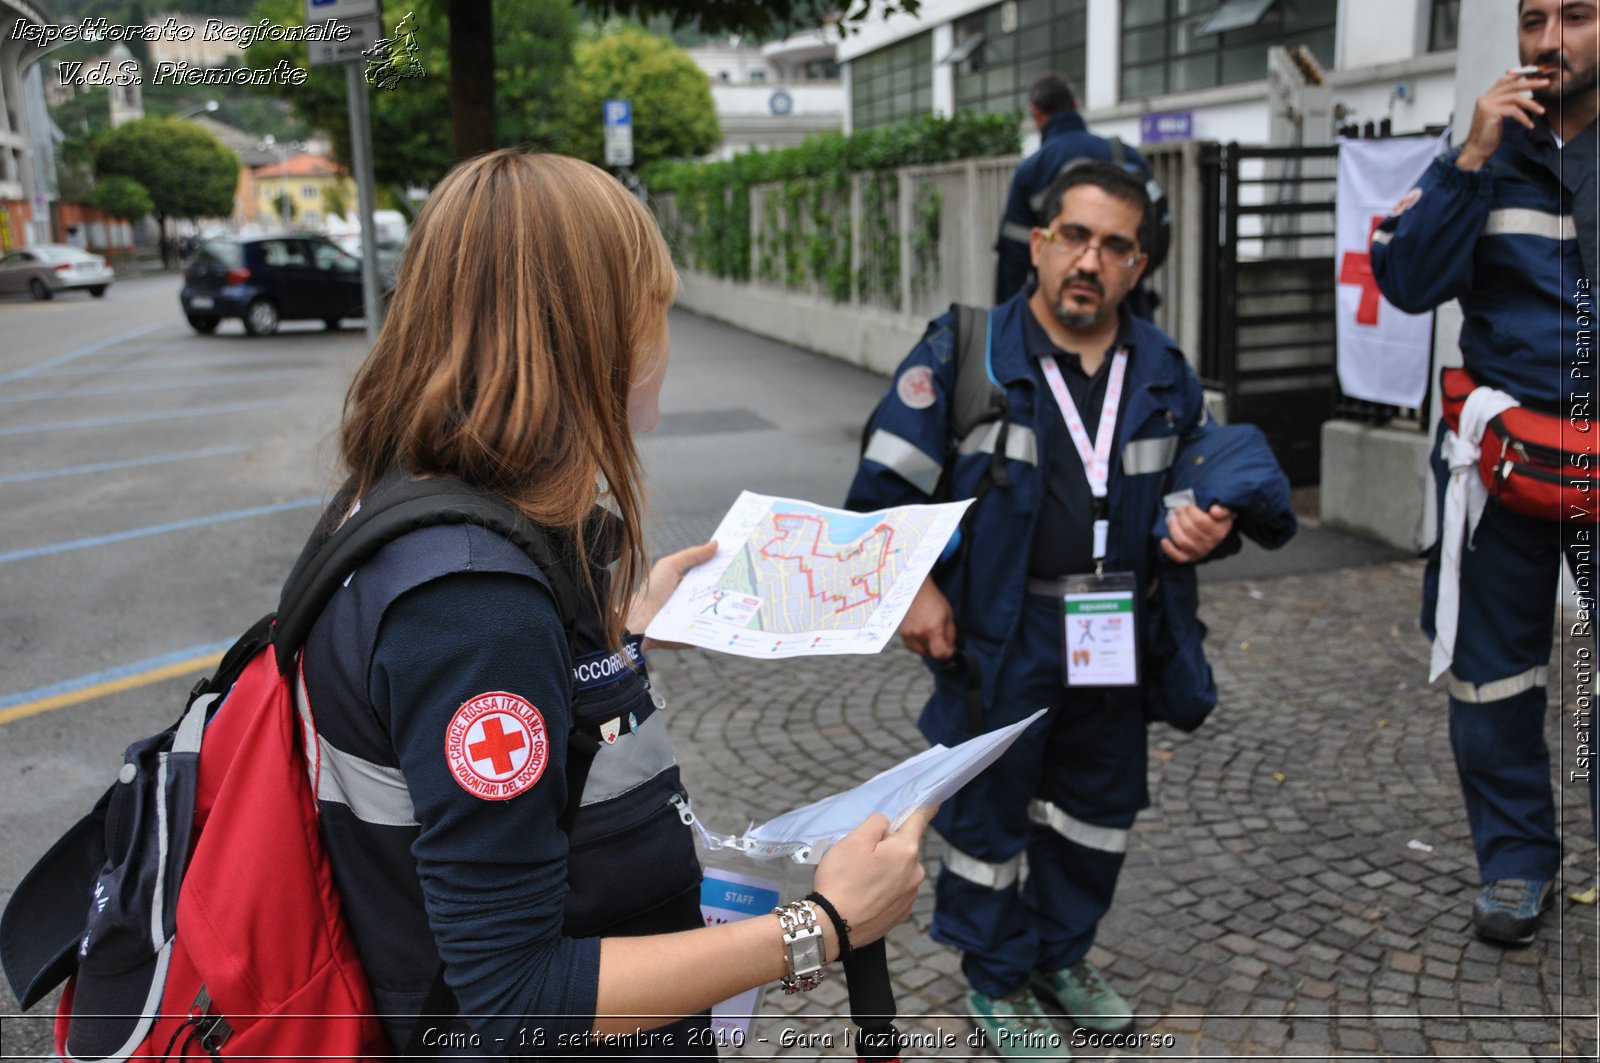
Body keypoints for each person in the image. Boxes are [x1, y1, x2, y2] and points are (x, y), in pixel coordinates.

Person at [302, 150, 932, 1056]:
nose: (663, 337)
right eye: (655, 309)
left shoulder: (400, 498)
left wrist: (610, 634)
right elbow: (516, 996)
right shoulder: (474, 606)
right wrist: (825, 923)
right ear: (591, 336)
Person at [847, 160, 1236, 1058]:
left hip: (1114, 637)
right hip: (1001, 640)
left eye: (1114, 244)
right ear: (1040, 242)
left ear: (1138, 264)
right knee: (988, 817)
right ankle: (995, 978)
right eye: (1075, 236)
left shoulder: (1166, 372)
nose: (1089, 260)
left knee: (1097, 812)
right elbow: (879, 494)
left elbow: (1205, 481)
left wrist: (1207, 522)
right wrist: (915, 586)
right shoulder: (968, 349)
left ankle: (1062, 956)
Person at [1371, 0, 1598, 947]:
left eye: (1576, 16)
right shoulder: (1484, 148)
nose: (1548, 42)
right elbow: (1406, 279)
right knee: (1491, 681)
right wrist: (1466, 159)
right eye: (1534, 17)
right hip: (1498, 467)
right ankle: (1515, 863)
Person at [994, 74, 1168, 311]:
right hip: (1127, 308)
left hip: (1058, 312)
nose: (1089, 264)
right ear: (1076, 105)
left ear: (1035, 112)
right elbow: (1160, 228)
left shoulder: (1033, 170)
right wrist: (1126, 276)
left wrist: (1006, 324)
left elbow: (1013, 259)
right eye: (1072, 237)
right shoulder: (1125, 154)